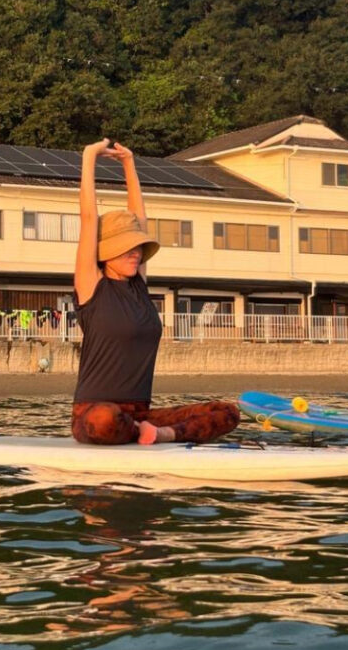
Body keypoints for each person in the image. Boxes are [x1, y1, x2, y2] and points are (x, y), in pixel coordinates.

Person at [71, 137, 240, 446]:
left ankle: (161, 435)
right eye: (125, 248)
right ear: (105, 253)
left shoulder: (138, 284)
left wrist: (129, 163)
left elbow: (141, 219)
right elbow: (88, 219)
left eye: (137, 247)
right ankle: (143, 434)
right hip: (94, 413)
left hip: (142, 416)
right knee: (105, 419)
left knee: (227, 412)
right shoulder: (92, 286)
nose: (134, 253)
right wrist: (89, 156)